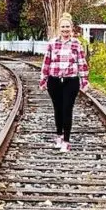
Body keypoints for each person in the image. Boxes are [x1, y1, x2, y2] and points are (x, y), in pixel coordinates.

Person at [39, 13, 90, 152]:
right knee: (58, 109)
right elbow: (46, 62)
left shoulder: (76, 44)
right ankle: (59, 136)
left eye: (67, 27)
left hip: (71, 81)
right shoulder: (52, 43)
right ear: (59, 28)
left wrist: (84, 81)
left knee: (67, 109)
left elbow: (82, 63)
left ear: (71, 28)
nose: (65, 29)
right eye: (63, 27)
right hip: (54, 81)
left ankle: (66, 141)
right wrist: (43, 80)